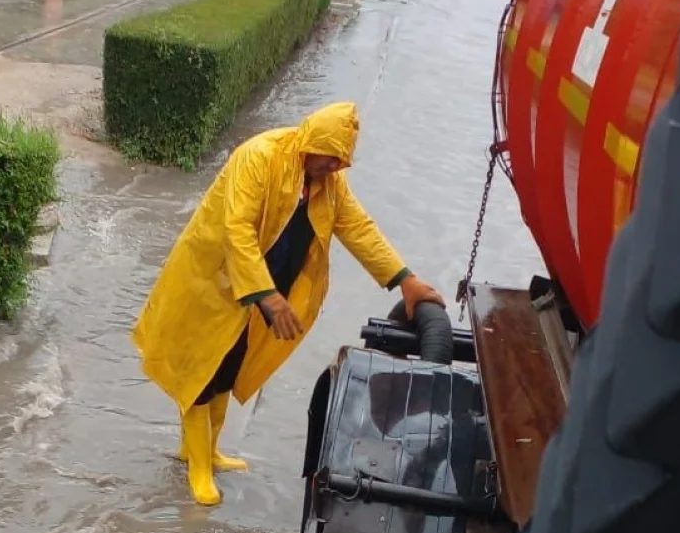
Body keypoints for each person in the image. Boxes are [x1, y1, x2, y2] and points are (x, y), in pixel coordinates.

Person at [131, 101, 445, 506]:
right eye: (331, 160)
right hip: (216, 283)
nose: (334, 169)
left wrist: (406, 280)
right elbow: (237, 229)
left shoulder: (327, 183)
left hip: (256, 292)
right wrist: (267, 296)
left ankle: (208, 451)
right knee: (202, 369)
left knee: (230, 365)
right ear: (312, 144)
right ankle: (197, 467)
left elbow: (358, 229)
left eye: (340, 164)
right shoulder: (259, 157)